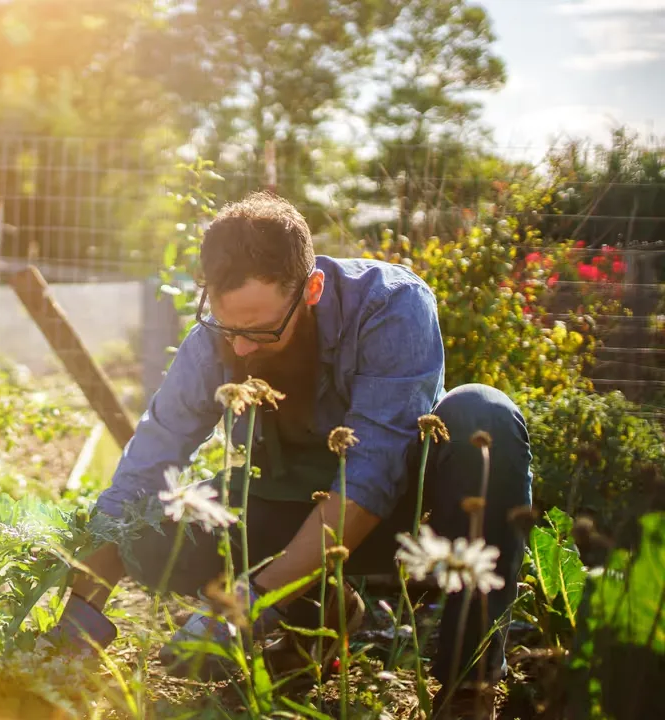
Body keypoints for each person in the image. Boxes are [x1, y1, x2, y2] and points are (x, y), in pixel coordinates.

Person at [42, 192, 532, 718]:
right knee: (153, 532)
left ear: (312, 288)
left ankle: (467, 683)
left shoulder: (391, 306)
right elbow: (146, 466)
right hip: (290, 511)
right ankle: (319, 618)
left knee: (486, 416)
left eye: (262, 331)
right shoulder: (215, 339)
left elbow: (372, 476)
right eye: (231, 330)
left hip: (406, 521)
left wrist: (249, 603)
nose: (243, 348)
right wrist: (78, 617)